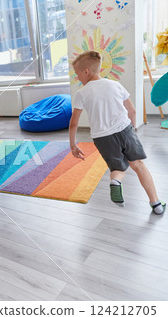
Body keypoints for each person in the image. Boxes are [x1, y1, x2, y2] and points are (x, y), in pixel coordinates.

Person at [69, 50, 165, 215]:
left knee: (118, 168)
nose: (77, 77)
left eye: (77, 74)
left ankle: (115, 181)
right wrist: (132, 131)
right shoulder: (115, 84)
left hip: (102, 138)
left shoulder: (82, 93)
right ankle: (156, 203)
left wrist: (73, 145)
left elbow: (74, 123)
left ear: (86, 72)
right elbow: (132, 111)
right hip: (124, 130)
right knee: (138, 165)